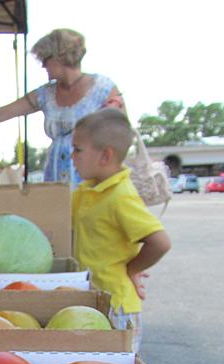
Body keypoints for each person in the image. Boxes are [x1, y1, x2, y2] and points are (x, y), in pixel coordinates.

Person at [70, 108, 171, 350]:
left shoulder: (120, 196)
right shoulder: (86, 191)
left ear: (105, 156)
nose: (72, 156)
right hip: (91, 299)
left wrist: (131, 268)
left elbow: (160, 242)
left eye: (78, 150)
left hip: (117, 305)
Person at [0, 28, 124, 186]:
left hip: (92, 181)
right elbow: (1, 113)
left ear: (59, 57)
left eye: (44, 60)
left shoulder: (103, 88)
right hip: (55, 178)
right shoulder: (45, 94)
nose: (43, 66)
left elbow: (121, 134)